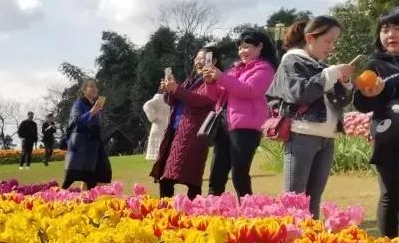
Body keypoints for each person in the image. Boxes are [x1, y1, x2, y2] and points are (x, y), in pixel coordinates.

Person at [266, 16, 353, 219]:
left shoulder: (322, 66)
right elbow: (299, 94)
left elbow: (341, 102)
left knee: (313, 199)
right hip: (301, 135)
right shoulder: (292, 60)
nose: (331, 47)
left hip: (327, 138)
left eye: (334, 42)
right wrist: (330, 75)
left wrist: (346, 83)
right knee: (295, 199)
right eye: (328, 41)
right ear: (310, 38)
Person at [203, 30, 279, 197]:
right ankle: (212, 213)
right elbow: (214, 96)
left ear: (260, 46)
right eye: (240, 48)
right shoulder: (235, 69)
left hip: (245, 129)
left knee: (239, 175)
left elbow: (250, 90)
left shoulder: (265, 68)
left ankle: (248, 212)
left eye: (246, 47)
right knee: (216, 174)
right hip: (223, 125)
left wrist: (221, 77)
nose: (242, 51)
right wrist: (210, 82)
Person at [353, 7, 399, 243]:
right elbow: (361, 103)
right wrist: (372, 94)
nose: (391, 34)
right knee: (391, 194)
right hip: (390, 136)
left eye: (397, 28)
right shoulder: (375, 65)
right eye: (385, 29)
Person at [150, 50, 224, 199]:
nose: (198, 61)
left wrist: (176, 89)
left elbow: (198, 99)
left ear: (213, 61)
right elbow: (172, 101)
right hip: (176, 131)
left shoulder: (212, 82)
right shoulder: (191, 80)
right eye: (196, 58)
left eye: (202, 58)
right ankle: (169, 213)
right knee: (171, 177)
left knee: (187, 179)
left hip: (194, 133)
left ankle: (187, 214)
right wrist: (168, 91)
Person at [63, 80, 111, 190]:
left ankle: (89, 195)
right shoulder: (78, 103)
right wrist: (92, 112)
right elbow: (77, 120)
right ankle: (60, 194)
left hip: (95, 141)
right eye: (91, 86)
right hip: (82, 143)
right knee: (75, 173)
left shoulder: (94, 104)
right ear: (84, 90)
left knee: (101, 170)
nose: (95, 88)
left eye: (96, 87)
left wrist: (96, 110)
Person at [142, 92, 170, 161]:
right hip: (158, 129)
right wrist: (153, 117)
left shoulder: (171, 98)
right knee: (159, 157)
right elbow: (146, 106)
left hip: (167, 128)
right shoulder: (159, 97)